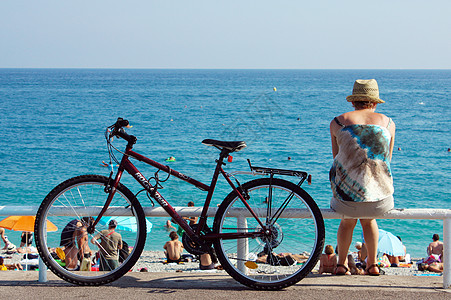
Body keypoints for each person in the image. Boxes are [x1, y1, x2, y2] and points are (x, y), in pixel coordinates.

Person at [329, 79, 396, 276]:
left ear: (353, 102)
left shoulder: (338, 122)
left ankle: (341, 264)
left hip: (345, 199)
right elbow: (388, 159)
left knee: (347, 221)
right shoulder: (389, 123)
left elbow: (336, 157)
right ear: (375, 102)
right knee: (369, 220)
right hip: (380, 199)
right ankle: (372, 264)